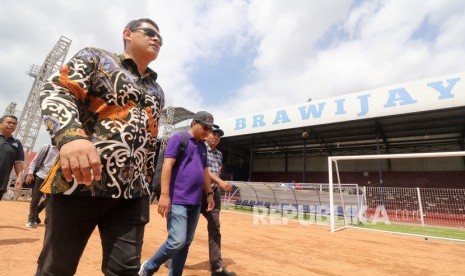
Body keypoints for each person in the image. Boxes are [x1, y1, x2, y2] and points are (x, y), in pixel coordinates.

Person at [36, 18, 165, 275]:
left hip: (132, 194)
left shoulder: (157, 90)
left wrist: (149, 180)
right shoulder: (96, 58)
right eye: (150, 33)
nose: (157, 40)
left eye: (161, 39)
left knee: (125, 270)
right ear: (127, 34)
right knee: (57, 268)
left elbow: (151, 142)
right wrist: (70, 136)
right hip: (80, 182)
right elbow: (57, 89)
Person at [139, 111, 216, 276]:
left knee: (185, 243)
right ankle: (148, 267)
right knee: (176, 241)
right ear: (194, 123)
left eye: (210, 129)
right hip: (178, 200)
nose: (208, 132)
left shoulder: (202, 147)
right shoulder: (179, 139)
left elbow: (204, 172)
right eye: (205, 127)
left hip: (195, 203)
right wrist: (165, 195)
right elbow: (167, 166)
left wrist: (209, 193)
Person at [202, 126, 236, 276]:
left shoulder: (219, 154)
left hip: (214, 194)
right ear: (207, 134)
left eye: (218, 136)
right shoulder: (199, 148)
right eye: (213, 134)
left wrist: (219, 183)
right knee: (185, 230)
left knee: (215, 229)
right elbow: (203, 171)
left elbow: (215, 173)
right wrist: (220, 181)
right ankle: (173, 260)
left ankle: (216, 268)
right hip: (197, 193)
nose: (216, 137)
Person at [24, 143, 58, 228]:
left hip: (53, 179)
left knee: (50, 199)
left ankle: (36, 213)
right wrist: (30, 173)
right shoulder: (46, 147)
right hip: (41, 176)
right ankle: (31, 220)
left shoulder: (64, 150)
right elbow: (35, 160)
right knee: (36, 199)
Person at [0, 115, 24, 201]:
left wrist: (20, 177)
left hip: (1, 182)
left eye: (14, 123)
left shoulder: (16, 143)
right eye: (9, 122)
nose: (11, 125)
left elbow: (18, 162)